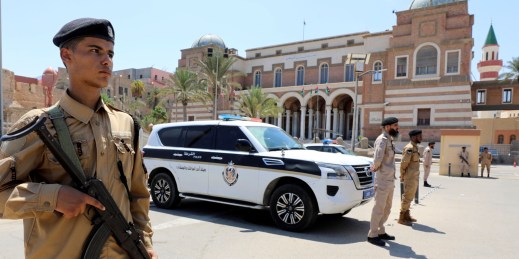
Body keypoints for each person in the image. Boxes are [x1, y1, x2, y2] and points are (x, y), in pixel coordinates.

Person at [0, 18, 157, 258]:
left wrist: (145, 243)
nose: (106, 60)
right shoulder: (39, 125)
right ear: (67, 56)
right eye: (95, 50)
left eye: (110, 53)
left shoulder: (126, 124)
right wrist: (52, 197)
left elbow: (138, 195)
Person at [367, 117, 399, 246]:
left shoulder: (390, 139)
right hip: (382, 179)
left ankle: (381, 231)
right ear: (387, 127)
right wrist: (375, 167)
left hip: (390, 179)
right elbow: (378, 158)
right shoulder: (382, 140)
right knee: (379, 208)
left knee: (387, 208)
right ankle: (372, 234)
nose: (397, 127)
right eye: (395, 125)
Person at [398, 129, 422, 226]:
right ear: (414, 137)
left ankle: (407, 215)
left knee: (410, 197)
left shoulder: (415, 147)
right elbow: (404, 163)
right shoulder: (409, 148)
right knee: (407, 197)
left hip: (414, 176)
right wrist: (402, 175)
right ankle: (401, 217)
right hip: (410, 177)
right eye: (419, 136)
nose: (421, 138)